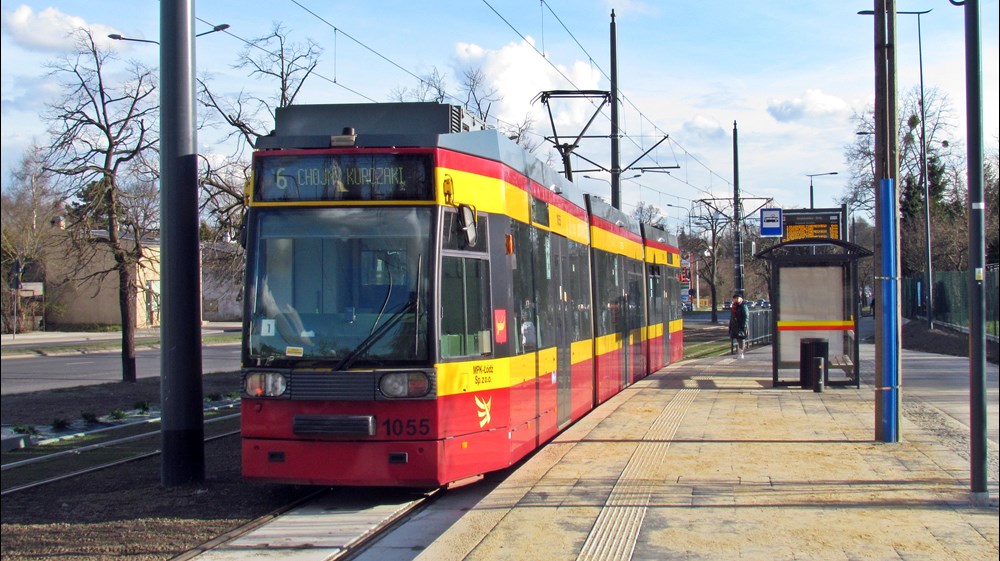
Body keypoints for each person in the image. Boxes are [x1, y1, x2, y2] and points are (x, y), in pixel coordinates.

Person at [728, 291, 750, 359]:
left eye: (737, 298)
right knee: (738, 339)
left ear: (741, 298)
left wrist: (744, 325)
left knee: (741, 338)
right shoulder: (734, 306)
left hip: (741, 325)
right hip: (735, 325)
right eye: (735, 298)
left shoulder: (743, 305)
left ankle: (741, 353)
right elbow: (732, 316)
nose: (736, 299)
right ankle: (739, 353)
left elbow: (746, 316)